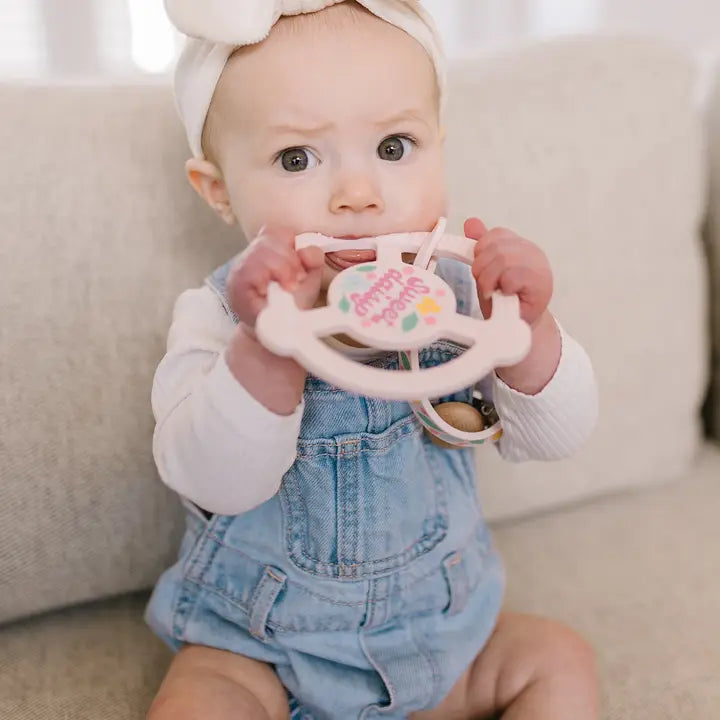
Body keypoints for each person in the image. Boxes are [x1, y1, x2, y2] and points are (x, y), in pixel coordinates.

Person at [145, 1, 600, 718]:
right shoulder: (216, 316)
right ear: (219, 191)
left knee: (560, 660)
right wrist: (267, 353)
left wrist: (531, 332)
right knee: (200, 705)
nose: (357, 196)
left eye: (394, 147)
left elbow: (558, 434)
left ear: (441, 147)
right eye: (297, 159)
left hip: (441, 636)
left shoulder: (468, 298)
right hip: (262, 650)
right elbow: (211, 479)